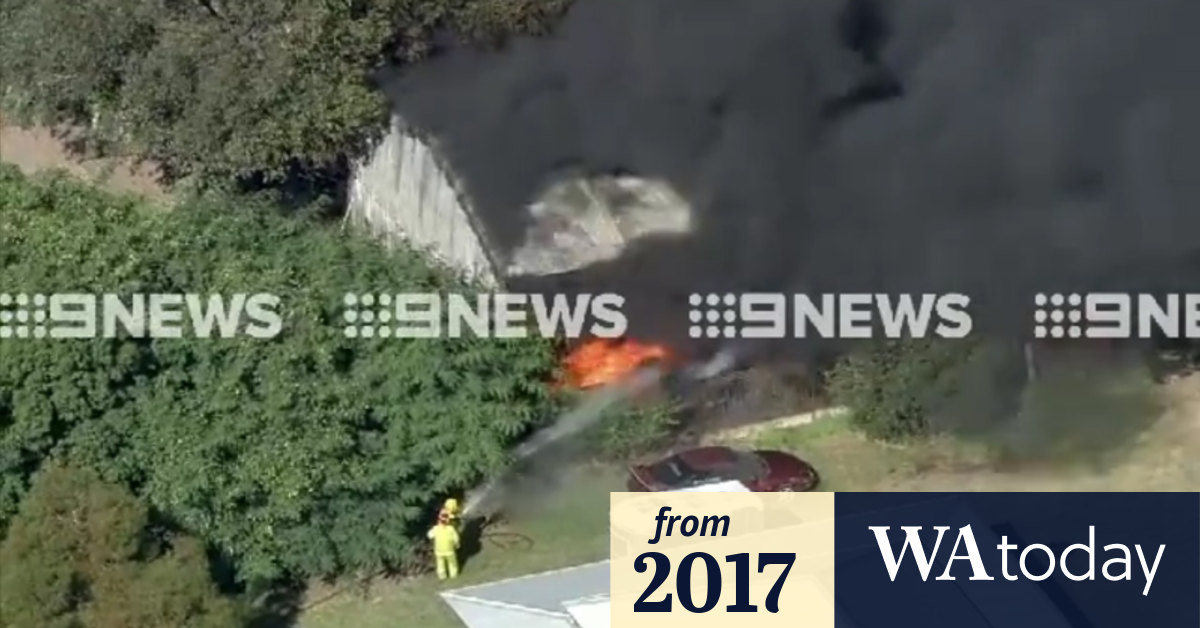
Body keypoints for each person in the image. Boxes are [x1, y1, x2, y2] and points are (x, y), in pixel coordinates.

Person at [427, 511, 461, 580]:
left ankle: (442, 576)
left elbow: (429, 535)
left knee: (440, 565)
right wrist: (457, 545)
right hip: (449, 550)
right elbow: (456, 538)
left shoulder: (435, 528)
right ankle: (453, 575)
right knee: (452, 563)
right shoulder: (451, 529)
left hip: (439, 551)